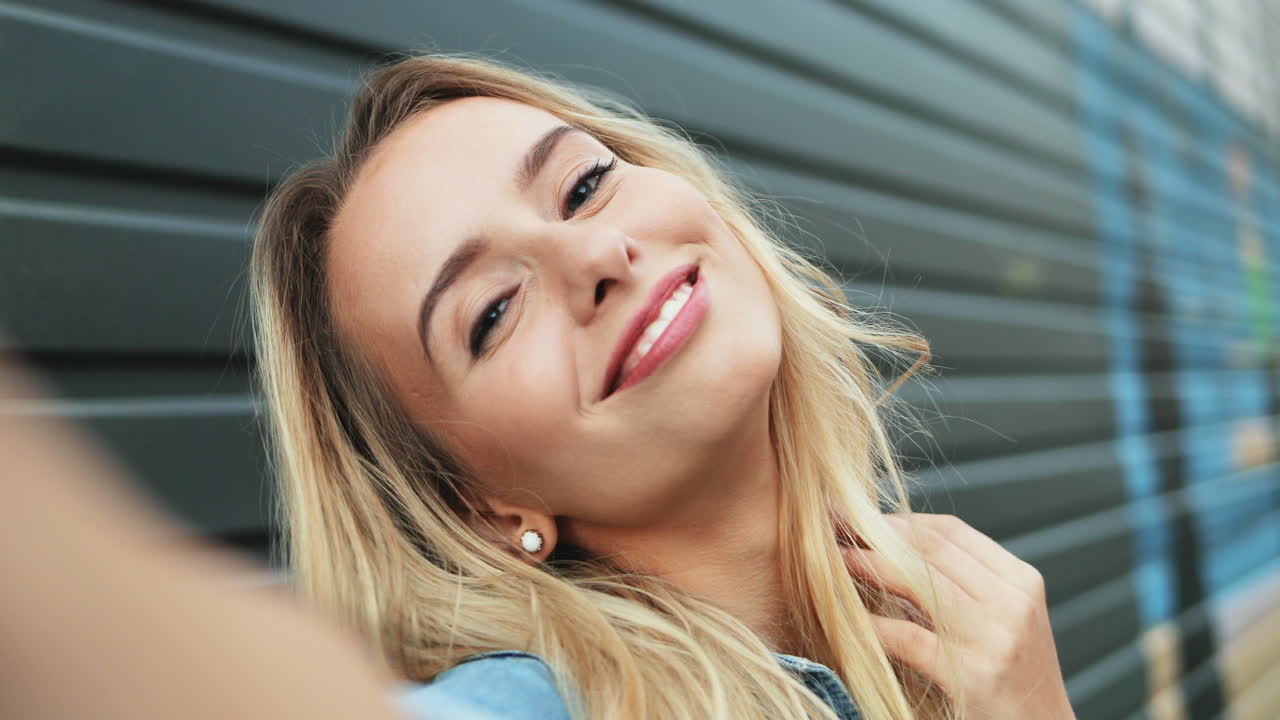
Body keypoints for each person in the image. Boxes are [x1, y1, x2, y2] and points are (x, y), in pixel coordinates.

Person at [0, 52, 1076, 720]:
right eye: (491, 312)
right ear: (479, 501)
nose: (592, 259)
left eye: (583, 184)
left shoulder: (945, 635)